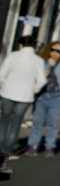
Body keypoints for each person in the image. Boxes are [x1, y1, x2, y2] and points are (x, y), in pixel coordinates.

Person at [0, 34, 47, 171]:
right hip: (25, 96)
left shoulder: (13, 56)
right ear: (33, 46)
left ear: (20, 45)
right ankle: (6, 151)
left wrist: (3, 86)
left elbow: (1, 74)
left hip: (7, 93)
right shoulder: (38, 60)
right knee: (16, 123)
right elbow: (42, 80)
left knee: (4, 120)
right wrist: (34, 90)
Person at [26, 43, 60, 157]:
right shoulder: (42, 63)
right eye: (52, 50)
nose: (55, 53)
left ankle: (50, 147)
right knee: (37, 123)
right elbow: (39, 76)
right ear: (48, 52)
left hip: (57, 97)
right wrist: (48, 65)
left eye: (57, 52)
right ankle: (32, 146)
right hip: (41, 97)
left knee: (52, 123)